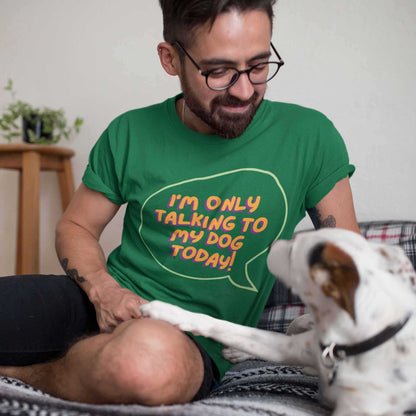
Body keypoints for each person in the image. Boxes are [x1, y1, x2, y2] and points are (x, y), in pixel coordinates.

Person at [0, 0, 360, 406]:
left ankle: (19, 376)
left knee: (145, 363)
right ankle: (89, 366)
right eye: (219, 71)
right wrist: (104, 290)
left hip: (190, 342)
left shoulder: (309, 136)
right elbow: (77, 226)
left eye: (259, 66)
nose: (244, 91)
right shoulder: (130, 131)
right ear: (170, 59)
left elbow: (352, 263)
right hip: (100, 302)